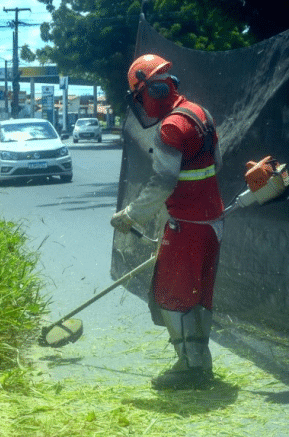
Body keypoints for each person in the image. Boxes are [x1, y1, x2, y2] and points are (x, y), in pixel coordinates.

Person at [110, 54, 224, 390]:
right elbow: (215, 163)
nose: (143, 104)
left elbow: (163, 181)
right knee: (198, 294)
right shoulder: (200, 113)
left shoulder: (171, 127)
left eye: (140, 96)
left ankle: (189, 367)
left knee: (172, 294)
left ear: (153, 90)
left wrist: (131, 215)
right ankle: (200, 362)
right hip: (213, 224)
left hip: (187, 226)